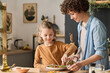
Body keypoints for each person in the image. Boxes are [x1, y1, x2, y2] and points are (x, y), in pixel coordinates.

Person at [60, 0, 109, 71]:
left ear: (81, 9)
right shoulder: (80, 26)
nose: (71, 18)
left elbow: (100, 53)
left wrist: (81, 64)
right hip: (85, 69)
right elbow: (82, 50)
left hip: (97, 70)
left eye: (72, 14)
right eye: (70, 15)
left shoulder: (96, 26)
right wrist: (74, 57)